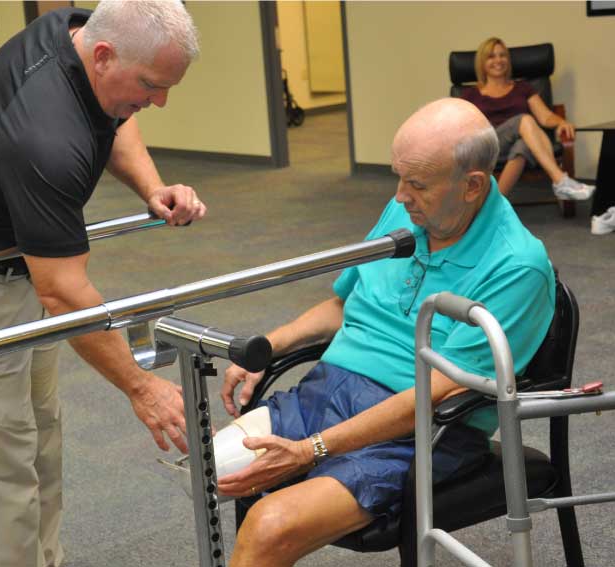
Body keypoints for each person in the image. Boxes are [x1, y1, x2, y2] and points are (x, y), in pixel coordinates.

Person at [0, 3, 202, 566]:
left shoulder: (84, 31)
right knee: (3, 459)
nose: (159, 101)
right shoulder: (42, 131)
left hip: (24, 264)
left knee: (41, 436)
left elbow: (115, 114)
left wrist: (151, 185)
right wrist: (142, 387)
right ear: (106, 56)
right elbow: (63, 292)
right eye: (152, 86)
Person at [206, 98, 555, 566]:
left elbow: (435, 395)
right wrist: (269, 347)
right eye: (398, 176)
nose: (399, 196)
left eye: (416, 183)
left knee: (269, 526)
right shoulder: (407, 212)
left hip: (421, 430)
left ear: (472, 185)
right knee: (207, 472)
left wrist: (312, 450)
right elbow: (342, 305)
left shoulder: (517, 266)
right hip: (328, 391)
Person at [460, 37, 594, 200]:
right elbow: (460, 125)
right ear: (482, 62)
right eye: (491, 56)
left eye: (502, 55)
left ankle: (495, 204)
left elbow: (545, 116)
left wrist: (561, 122)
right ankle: (560, 180)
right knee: (524, 120)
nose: (498, 60)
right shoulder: (471, 94)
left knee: (523, 146)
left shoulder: (522, 88)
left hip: (513, 146)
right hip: (487, 146)